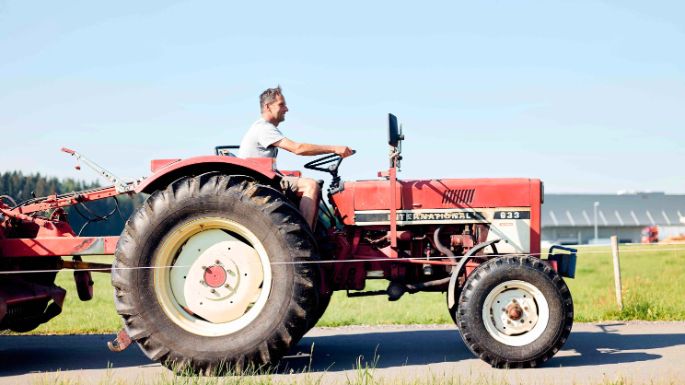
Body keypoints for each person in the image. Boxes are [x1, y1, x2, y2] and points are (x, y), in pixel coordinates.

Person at [238, 86, 353, 228]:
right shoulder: (263, 128)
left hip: (263, 180)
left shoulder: (264, 128)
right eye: (281, 105)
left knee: (305, 181)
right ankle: (306, 238)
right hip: (257, 183)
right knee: (310, 185)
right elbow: (297, 148)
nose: (286, 109)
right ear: (268, 107)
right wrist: (334, 149)